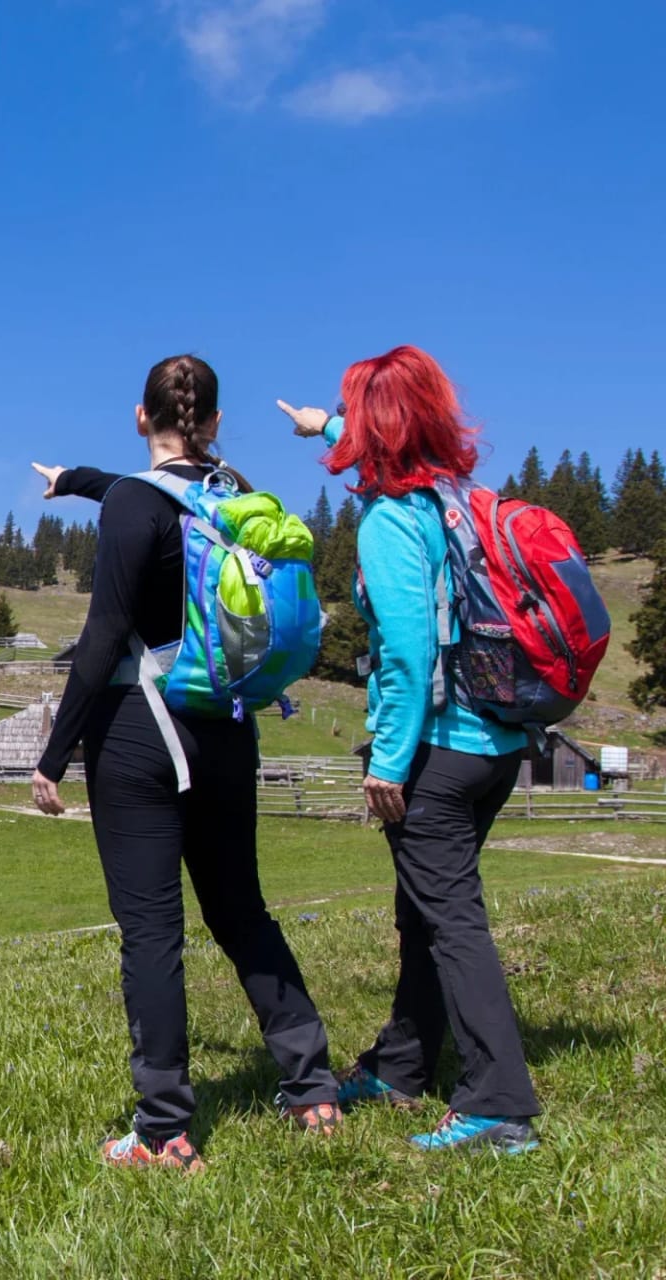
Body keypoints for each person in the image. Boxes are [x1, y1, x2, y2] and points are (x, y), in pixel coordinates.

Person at [31, 354, 338, 1174]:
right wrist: (75, 480)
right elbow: (139, 496)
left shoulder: (136, 503)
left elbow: (102, 637)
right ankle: (313, 1088)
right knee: (243, 912)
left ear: (143, 417)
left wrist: (53, 755)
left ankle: (164, 1129)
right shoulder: (234, 496)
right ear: (216, 422)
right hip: (227, 729)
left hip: (141, 732)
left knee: (153, 933)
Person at [278, 345, 540, 1154]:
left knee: (451, 919)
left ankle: (499, 1104)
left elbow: (406, 650)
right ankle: (403, 1066)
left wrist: (388, 760)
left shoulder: (393, 520)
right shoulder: (460, 497)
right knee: (424, 911)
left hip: (438, 750)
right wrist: (324, 423)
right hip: (497, 742)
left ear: (379, 428)